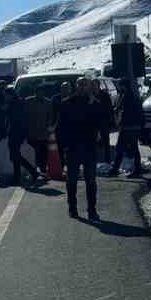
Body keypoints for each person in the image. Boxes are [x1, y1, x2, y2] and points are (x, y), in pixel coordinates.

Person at [58, 77, 102, 219]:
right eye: (80, 85)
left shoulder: (95, 103)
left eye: (86, 85)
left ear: (89, 87)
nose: (83, 87)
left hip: (89, 147)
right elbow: (61, 127)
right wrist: (64, 147)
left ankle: (92, 210)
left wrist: (92, 105)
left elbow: (102, 123)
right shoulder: (67, 103)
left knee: (91, 180)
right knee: (72, 181)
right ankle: (72, 208)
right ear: (76, 86)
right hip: (73, 148)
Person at [109, 81, 145, 177]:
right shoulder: (131, 95)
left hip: (128, 126)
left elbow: (125, 112)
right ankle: (121, 168)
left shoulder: (128, 96)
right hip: (131, 126)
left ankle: (134, 169)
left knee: (124, 148)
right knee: (127, 148)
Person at [3, 86, 36, 185]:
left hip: (16, 132)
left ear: (10, 95)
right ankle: (18, 176)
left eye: (6, 95)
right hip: (17, 131)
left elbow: (15, 118)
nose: (5, 97)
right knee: (15, 156)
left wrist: (5, 110)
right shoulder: (18, 102)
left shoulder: (14, 103)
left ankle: (31, 172)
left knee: (15, 155)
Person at [25, 89, 53, 178]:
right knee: (32, 153)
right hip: (31, 132)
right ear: (35, 93)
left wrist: (49, 127)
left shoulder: (48, 102)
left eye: (41, 93)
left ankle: (43, 170)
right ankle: (32, 171)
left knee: (43, 153)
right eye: (38, 92)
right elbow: (24, 114)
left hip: (43, 133)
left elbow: (50, 116)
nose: (39, 94)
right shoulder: (28, 101)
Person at [92, 81, 115, 156]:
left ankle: (108, 159)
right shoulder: (90, 95)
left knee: (106, 141)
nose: (93, 87)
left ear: (98, 85)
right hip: (93, 122)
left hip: (103, 121)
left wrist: (111, 121)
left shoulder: (104, 95)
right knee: (93, 143)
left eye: (94, 85)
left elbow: (109, 108)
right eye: (92, 85)